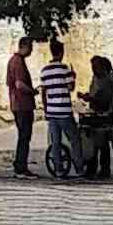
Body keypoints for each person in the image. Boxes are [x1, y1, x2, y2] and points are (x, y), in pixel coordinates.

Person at [38, 45, 78, 180]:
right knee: (74, 139)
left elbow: (43, 92)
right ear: (61, 53)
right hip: (64, 111)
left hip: (52, 111)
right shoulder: (64, 69)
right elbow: (71, 87)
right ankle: (79, 168)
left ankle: (59, 170)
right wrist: (73, 77)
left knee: (55, 142)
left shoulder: (44, 71)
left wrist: (46, 109)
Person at [84, 51, 113, 178]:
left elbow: (108, 96)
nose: (93, 70)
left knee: (106, 141)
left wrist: (92, 98)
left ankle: (110, 168)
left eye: (95, 67)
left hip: (108, 113)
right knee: (95, 141)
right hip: (96, 111)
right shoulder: (96, 78)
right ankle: (93, 167)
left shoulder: (108, 78)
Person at [6, 37, 37, 178]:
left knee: (23, 136)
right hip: (22, 104)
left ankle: (19, 165)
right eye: (30, 47)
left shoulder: (13, 61)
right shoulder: (18, 62)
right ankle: (21, 168)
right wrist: (32, 91)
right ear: (25, 47)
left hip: (17, 104)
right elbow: (19, 84)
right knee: (25, 136)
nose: (31, 51)